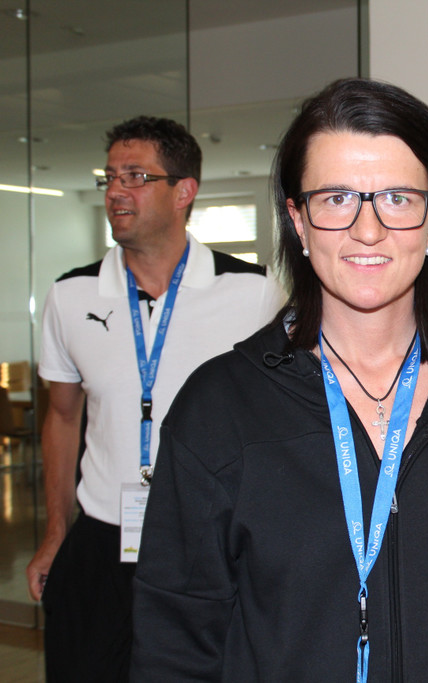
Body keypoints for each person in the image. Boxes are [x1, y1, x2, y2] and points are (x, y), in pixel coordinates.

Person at [130, 78, 428, 682]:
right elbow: (175, 644)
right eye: (335, 199)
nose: (367, 229)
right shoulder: (220, 407)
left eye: (397, 198)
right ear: (298, 221)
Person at [26, 115, 285, 682]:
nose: (116, 191)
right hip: (101, 538)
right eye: (110, 177)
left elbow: (280, 422)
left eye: (136, 176)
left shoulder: (254, 293)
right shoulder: (70, 295)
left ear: (184, 191)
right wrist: (55, 535)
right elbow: (63, 419)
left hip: (208, 542)